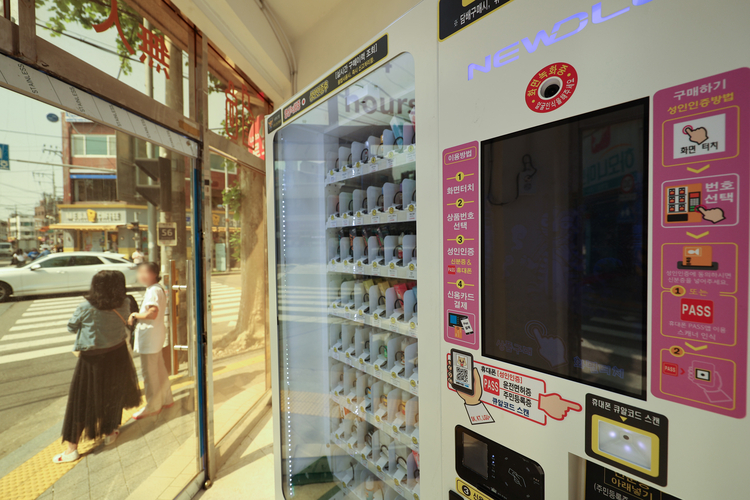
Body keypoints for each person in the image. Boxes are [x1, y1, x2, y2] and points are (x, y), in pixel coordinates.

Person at [54, 271, 141, 463]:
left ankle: (72, 449)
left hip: (92, 360)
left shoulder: (86, 307)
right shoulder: (125, 302)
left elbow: (71, 327)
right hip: (118, 354)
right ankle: (110, 433)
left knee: (81, 400)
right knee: (112, 394)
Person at [129, 262, 173, 419]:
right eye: (139, 272)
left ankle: (153, 406)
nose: (141, 276)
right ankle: (166, 399)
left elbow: (152, 313)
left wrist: (134, 315)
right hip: (155, 336)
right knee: (159, 370)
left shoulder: (153, 290)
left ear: (154, 274)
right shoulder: (157, 288)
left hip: (150, 338)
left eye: (145, 272)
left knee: (149, 373)